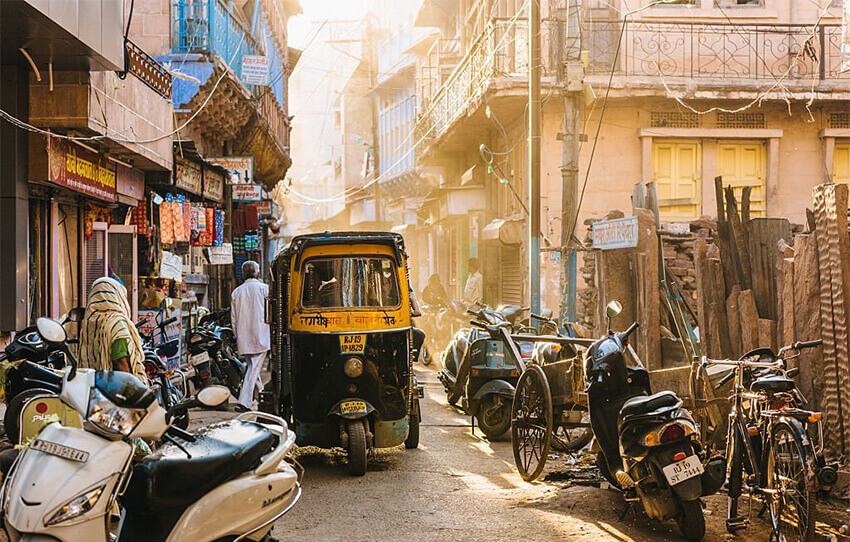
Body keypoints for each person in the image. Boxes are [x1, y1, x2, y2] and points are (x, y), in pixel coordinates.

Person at [79, 277, 148, 382]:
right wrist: (130, 389)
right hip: (114, 388)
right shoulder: (116, 324)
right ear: (117, 296)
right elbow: (120, 362)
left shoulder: (89, 324)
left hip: (92, 387)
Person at [231, 260, 270, 412]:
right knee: (253, 370)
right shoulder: (264, 289)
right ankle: (244, 402)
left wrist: (236, 335)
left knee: (252, 368)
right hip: (261, 335)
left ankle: (262, 396)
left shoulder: (237, 292)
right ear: (257, 272)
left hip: (244, 338)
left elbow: (233, 318)